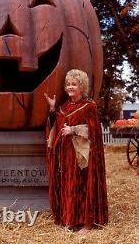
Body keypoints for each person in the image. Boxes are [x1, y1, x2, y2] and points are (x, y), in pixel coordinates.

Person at [44, 69, 108, 233]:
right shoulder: (64, 106)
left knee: (83, 186)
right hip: (66, 155)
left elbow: (94, 130)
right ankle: (71, 220)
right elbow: (56, 126)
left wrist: (74, 130)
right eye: (68, 84)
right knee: (69, 186)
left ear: (82, 87)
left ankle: (87, 223)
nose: (70, 87)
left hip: (83, 156)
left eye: (74, 84)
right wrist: (52, 110)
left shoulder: (89, 106)